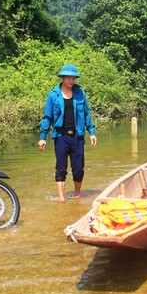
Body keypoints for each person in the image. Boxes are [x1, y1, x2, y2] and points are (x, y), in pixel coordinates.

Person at [38, 64, 97, 203]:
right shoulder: (53, 95)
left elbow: (87, 114)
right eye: (68, 77)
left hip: (77, 136)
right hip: (61, 136)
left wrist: (92, 132)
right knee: (61, 168)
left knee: (78, 168)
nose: (71, 80)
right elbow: (48, 117)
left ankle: (77, 194)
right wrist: (43, 137)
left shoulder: (80, 94)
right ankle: (61, 198)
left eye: (73, 78)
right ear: (62, 77)